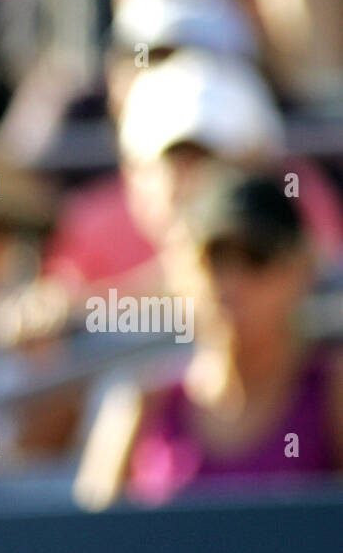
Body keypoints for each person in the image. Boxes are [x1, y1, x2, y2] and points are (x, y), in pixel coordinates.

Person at [74, 169, 343, 509]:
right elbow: (90, 547)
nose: (231, 285)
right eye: (213, 259)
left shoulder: (333, 394)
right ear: (178, 270)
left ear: (298, 271)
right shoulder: (140, 402)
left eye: (256, 258)